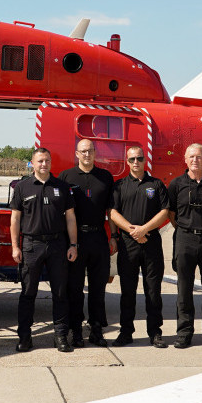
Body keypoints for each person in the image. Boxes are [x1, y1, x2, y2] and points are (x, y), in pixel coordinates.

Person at [9, 147, 78, 352]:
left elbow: (71, 217)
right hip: (31, 245)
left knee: (59, 293)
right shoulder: (22, 187)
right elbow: (15, 218)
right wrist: (15, 247)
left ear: (51, 163)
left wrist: (73, 244)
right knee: (28, 293)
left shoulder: (62, 187)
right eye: (39, 161)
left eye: (47, 160)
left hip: (58, 244)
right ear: (32, 163)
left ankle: (60, 337)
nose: (43, 164)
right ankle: (25, 337)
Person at [109, 145, 172, 348]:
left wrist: (144, 229)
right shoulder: (119, 186)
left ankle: (155, 333)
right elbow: (112, 212)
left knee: (153, 291)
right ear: (126, 162)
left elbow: (165, 212)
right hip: (128, 245)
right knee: (127, 291)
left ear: (145, 160)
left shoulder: (156, 184)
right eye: (132, 159)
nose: (136, 162)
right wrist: (132, 231)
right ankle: (126, 332)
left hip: (151, 242)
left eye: (139, 158)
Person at [166, 143, 202, 349]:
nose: (195, 160)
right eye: (191, 157)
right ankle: (184, 332)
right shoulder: (176, 184)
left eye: (199, 157)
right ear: (185, 160)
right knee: (184, 289)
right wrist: (185, 229)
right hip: (185, 239)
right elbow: (171, 214)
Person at [58, 139, 115, 347]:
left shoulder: (105, 177)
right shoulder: (66, 177)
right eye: (83, 151)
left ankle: (97, 330)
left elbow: (111, 211)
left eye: (90, 151)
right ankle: (76, 331)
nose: (87, 154)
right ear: (77, 154)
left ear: (95, 152)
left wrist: (114, 237)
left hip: (99, 237)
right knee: (74, 288)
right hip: (75, 240)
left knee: (98, 289)